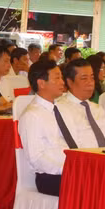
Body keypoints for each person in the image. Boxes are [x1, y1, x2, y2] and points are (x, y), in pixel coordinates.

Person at [18, 59, 70, 196]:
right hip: (50, 177)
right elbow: (36, 158)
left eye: (61, 77)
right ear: (41, 83)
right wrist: (67, 169)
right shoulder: (32, 116)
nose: (62, 82)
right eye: (57, 78)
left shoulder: (61, 110)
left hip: (70, 170)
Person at [55, 58, 105, 148]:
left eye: (92, 77)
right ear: (70, 82)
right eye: (84, 78)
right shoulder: (60, 109)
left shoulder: (97, 108)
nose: (90, 82)